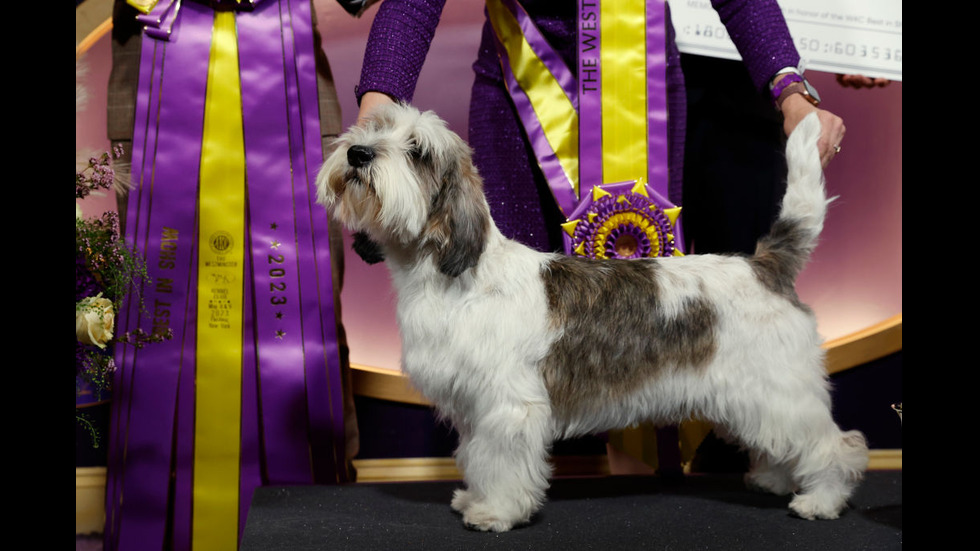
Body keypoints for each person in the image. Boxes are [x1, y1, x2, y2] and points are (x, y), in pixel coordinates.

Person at [351, 0, 845, 474]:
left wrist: (790, 87)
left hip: (638, 83)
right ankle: (528, 488)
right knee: (504, 343)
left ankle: (634, 511)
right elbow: (412, 3)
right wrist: (377, 105)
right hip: (516, 86)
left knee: (645, 319)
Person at [104, 1, 359, 549]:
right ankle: (155, 526)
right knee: (154, 316)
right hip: (151, 54)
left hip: (290, 65)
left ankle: (320, 525)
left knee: (306, 317)